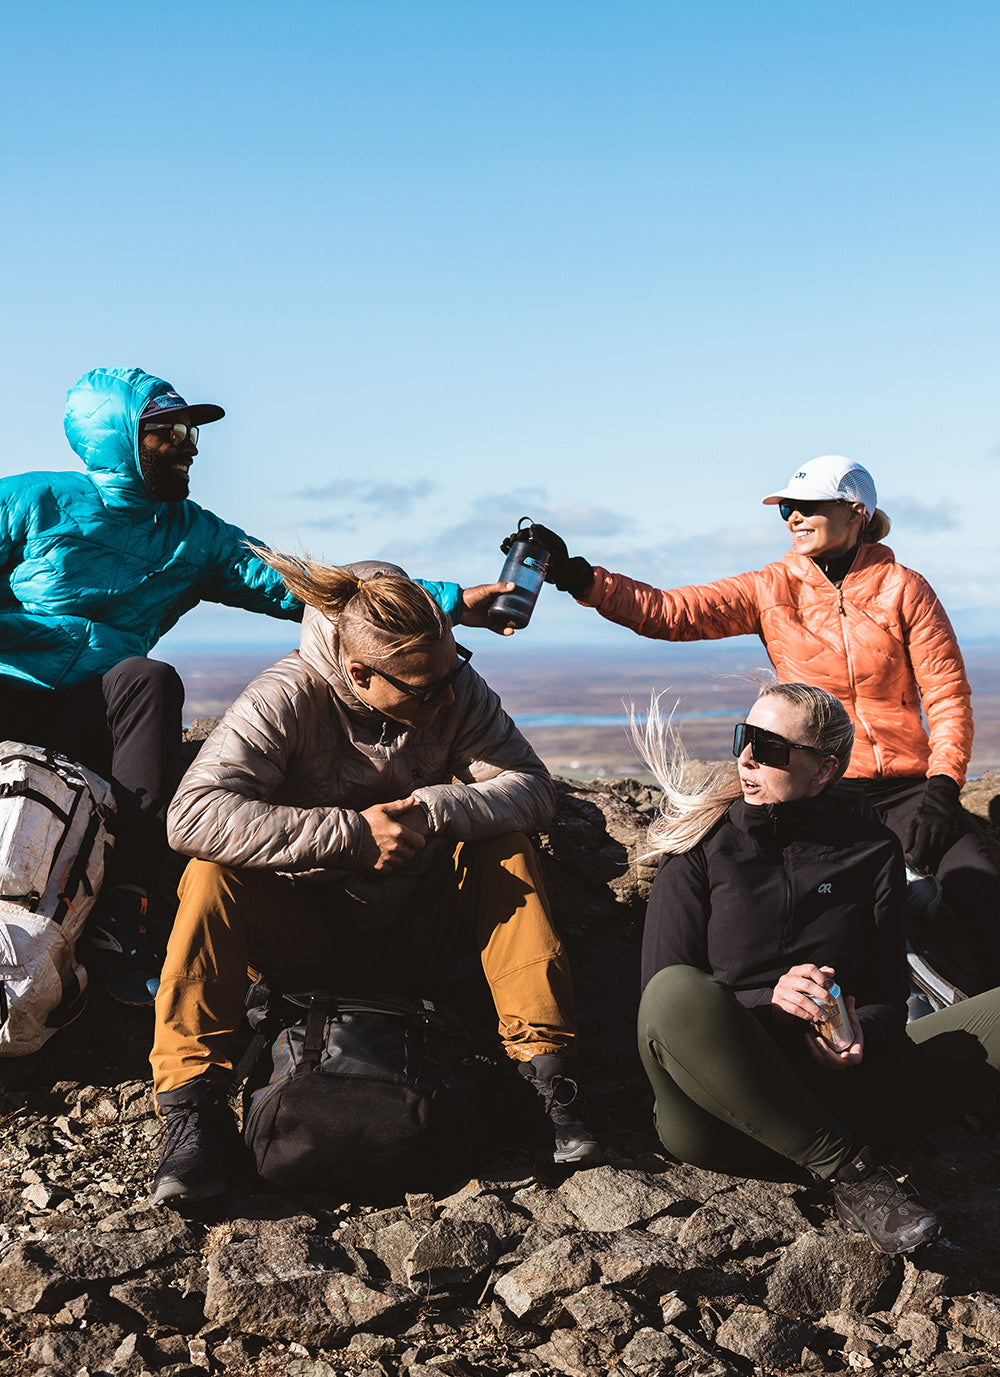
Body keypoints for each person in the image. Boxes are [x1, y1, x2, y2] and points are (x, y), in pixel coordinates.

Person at [0, 366, 506, 1005]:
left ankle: (130, 907)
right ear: (117, 438)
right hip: (9, 691)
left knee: (149, 680)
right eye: (170, 432)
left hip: (94, 708)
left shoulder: (195, 534)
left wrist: (452, 601)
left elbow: (304, 587)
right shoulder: (27, 501)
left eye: (191, 431)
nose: (191, 444)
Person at [148, 553, 600, 1206]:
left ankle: (546, 1082)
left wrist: (439, 808)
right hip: (306, 941)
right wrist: (352, 837)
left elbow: (531, 787)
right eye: (425, 689)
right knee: (213, 874)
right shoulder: (287, 696)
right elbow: (192, 816)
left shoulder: (450, 682)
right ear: (359, 672)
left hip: (421, 934)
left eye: (454, 673)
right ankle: (193, 1112)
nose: (447, 696)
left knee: (504, 845)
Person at [533, 455, 1000, 979]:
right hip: (816, 782)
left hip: (906, 788)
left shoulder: (904, 588)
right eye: (786, 510)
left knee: (982, 891)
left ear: (855, 512)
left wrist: (941, 789)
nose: (793, 517)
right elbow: (668, 612)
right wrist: (577, 576)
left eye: (807, 506)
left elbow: (947, 694)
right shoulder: (770, 587)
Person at [635, 680, 1000, 1255]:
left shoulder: (871, 850)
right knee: (677, 991)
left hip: (844, 1088)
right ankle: (850, 1174)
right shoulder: (701, 851)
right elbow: (663, 1011)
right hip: (723, 1119)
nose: (747, 757)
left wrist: (861, 1031)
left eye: (771, 748)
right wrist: (769, 1005)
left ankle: (836, 1150)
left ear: (824, 771)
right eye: (745, 737)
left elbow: (885, 991)